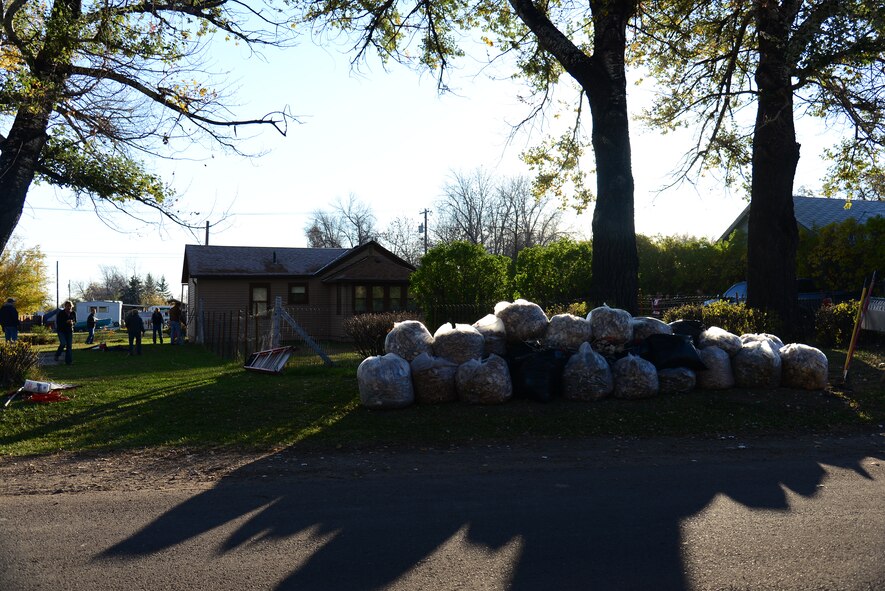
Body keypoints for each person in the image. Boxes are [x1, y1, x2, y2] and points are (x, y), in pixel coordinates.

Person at [55, 300, 75, 365]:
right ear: (65, 306)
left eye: (70, 306)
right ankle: (57, 354)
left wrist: (72, 323)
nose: (69, 307)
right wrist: (66, 322)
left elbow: (75, 321)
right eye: (67, 306)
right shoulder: (61, 313)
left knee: (69, 346)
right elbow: (58, 323)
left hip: (69, 331)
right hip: (61, 331)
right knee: (63, 343)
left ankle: (68, 361)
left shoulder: (73, 313)